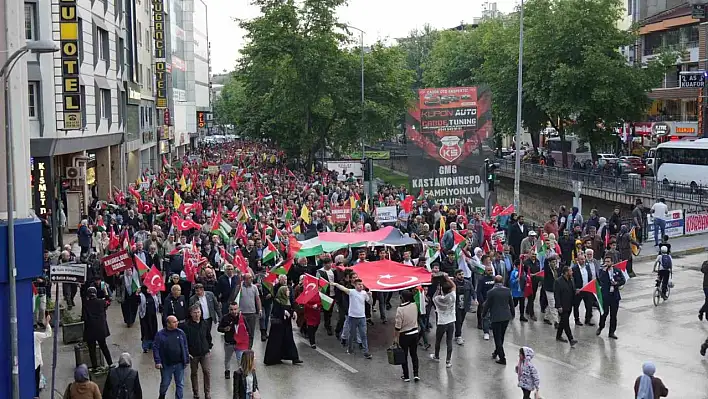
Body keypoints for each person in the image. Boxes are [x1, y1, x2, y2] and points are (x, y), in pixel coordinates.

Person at [333, 278, 373, 359]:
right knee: (351, 334)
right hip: (352, 317)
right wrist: (335, 284)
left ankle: (366, 352)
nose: (361, 286)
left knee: (363, 335)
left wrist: (370, 295)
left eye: (361, 284)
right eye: (359, 284)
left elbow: (370, 302)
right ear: (355, 285)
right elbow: (343, 289)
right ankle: (350, 349)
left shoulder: (364, 293)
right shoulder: (352, 292)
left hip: (362, 317)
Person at [180, 305, 213, 399]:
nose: (197, 314)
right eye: (194, 313)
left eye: (198, 312)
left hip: (205, 352)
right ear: (190, 314)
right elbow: (184, 341)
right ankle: (196, 393)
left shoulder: (205, 323)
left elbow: (208, 336)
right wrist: (187, 352)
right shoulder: (186, 326)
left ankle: (207, 393)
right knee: (194, 373)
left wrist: (209, 347)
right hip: (193, 354)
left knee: (207, 371)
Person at [263, 286, 303, 365]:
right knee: (276, 342)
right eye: (287, 290)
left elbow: (290, 309)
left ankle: (294, 358)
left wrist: (293, 312)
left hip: (287, 324)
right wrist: (283, 312)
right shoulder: (277, 300)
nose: (288, 292)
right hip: (278, 326)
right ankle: (273, 359)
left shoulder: (288, 300)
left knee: (289, 341)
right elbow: (275, 311)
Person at [154, 315, 189, 399]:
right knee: (165, 383)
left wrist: (186, 359)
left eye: (176, 321)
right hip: (166, 365)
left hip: (179, 364)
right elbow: (156, 348)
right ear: (168, 324)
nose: (176, 323)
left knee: (180, 384)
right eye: (174, 322)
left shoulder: (180, 333)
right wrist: (158, 361)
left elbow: (185, 346)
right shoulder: (160, 334)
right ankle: (162, 395)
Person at [482, 275, 515, 365]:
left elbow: (487, 305)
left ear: (494, 281)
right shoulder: (507, 290)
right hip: (506, 317)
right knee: (501, 336)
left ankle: (502, 357)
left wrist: (483, 315)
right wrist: (513, 314)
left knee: (497, 338)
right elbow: (511, 304)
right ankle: (496, 352)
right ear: (503, 281)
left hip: (496, 317)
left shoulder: (491, 292)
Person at [82, 286, 114, 368]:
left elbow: (84, 318)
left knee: (92, 350)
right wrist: (106, 292)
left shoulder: (85, 304)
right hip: (101, 329)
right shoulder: (101, 302)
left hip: (90, 330)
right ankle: (110, 363)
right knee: (103, 346)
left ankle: (95, 367)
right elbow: (108, 301)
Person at [430, 275, 456, 368]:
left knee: (438, 340)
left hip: (442, 322)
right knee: (449, 341)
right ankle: (448, 361)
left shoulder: (437, 299)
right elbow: (454, 286)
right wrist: (448, 278)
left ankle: (437, 356)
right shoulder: (453, 296)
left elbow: (433, 297)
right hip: (451, 321)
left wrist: (437, 289)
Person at [596, 256, 626, 339]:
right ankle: (601, 326)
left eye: (608, 261)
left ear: (612, 262)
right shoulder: (602, 271)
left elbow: (623, 280)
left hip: (614, 296)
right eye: (605, 261)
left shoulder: (617, 270)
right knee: (604, 313)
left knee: (614, 315)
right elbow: (600, 280)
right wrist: (604, 272)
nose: (607, 263)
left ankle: (612, 332)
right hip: (606, 295)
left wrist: (616, 283)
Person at [393, 290, 420, 382]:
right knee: (414, 354)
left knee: (404, 356)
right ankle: (416, 374)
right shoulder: (414, 305)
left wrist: (396, 338)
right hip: (415, 333)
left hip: (405, 335)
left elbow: (398, 326)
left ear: (402, 298)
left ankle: (406, 376)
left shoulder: (400, 309)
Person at [218, 303, 248, 379]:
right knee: (227, 358)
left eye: (235, 309)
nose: (233, 311)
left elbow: (248, 329)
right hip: (229, 343)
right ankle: (227, 371)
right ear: (229, 310)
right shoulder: (225, 318)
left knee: (240, 360)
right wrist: (224, 329)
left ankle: (240, 373)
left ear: (238, 309)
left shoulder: (242, 318)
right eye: (231, 309)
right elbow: (219, 328)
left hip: (239, 343)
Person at [237, 274, 263, 347]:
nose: (251, 279)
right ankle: (242, 346)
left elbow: (257, 299)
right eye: (249, 278)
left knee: (251, 332)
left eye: (251, 278)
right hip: (242, 313)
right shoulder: (240, 287)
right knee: (242, 331)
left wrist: (260, 309)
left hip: (252, 313)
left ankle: (249, 348)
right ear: (244, 279)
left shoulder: (254, 287)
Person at [553, 266, 577, 347]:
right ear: (566, 272)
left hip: (569, 305)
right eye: (570, 271)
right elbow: (557, 295)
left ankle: (558, 336)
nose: (572, 273)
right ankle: (571, 339)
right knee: (566, 323)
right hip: (562, 307)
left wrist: (576, 292)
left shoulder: (571, 280)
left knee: (563, 322)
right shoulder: (558, 282)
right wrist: (558, 306)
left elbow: (572, 290)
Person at [571, 253, 595, 326]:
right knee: (576, 305)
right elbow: (572, 280)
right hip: (579, 290)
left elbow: (590, 276)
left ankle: (587, 319)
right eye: (581, 259)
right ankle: (577, 319)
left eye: (584, 259)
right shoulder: (574, 268)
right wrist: (575, 289)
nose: (583, 261)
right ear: (578, 260)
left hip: (587, 289)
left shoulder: (587, 266)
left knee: (589, 305)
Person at [138, 285, 161, 353]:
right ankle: (145, 346)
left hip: (153, 317)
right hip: (145, 317)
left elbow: (157, 303)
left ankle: (153, 345)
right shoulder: (141, 296)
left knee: (153, 330)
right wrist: (136, 294)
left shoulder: (153, 295)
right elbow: (137, 301)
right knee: (146, 331)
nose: (149, 290)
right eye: (147, 288)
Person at [474, 265, 495, 341]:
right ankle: (486, 332)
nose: (490, 272)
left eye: (491, 270)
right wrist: (482, 301)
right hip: (485, 301)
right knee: (485, 317)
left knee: (492, 316)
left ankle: (491, 327)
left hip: (493, 301)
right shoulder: (481, 279)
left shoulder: (494, 278)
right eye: (489, 270)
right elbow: (478, 292)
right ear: (485, 271)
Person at [34, 315, 51, 399]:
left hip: (24, 364)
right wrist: (47, 323)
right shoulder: (35, 335)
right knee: (36, 382)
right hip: (36, 363)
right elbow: (48, 334)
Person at [542, 255, 559, 327]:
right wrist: (547, 256)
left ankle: (546, 317)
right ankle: (556, 321)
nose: (554, 263)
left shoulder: (556, 269)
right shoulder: (547, 269)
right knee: (553, 304)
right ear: (549, 263)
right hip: (549, 289)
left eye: (555, 262)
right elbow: (545, 262)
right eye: (552, 262)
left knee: (550, 304)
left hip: (555, 289)